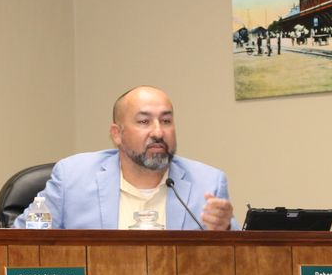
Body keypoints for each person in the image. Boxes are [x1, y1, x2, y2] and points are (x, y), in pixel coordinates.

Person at [13, 86, 236, 230]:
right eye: (143, 122)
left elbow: (237, 266)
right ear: (117, 134)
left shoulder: (208, 183)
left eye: (166, 121)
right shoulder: (72, 178)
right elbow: (19, 246)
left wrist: (225, 231)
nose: (158, 132)